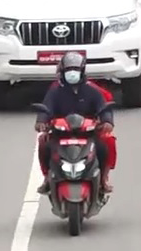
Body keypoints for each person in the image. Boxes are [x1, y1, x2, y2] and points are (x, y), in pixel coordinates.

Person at [33, 52, 117, 194]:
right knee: (43, 142)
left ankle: (103, 179)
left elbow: (104, 108)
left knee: (108, 142)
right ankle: (47, 177)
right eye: (69, 70)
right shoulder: (55, 91)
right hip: (60, 133)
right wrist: (41, 122)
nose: (72, 73)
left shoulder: (92, 90)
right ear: (62, 71)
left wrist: (107, 121)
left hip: (89, 132)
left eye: (76, 70)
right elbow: (46, 109)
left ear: (82, 71)